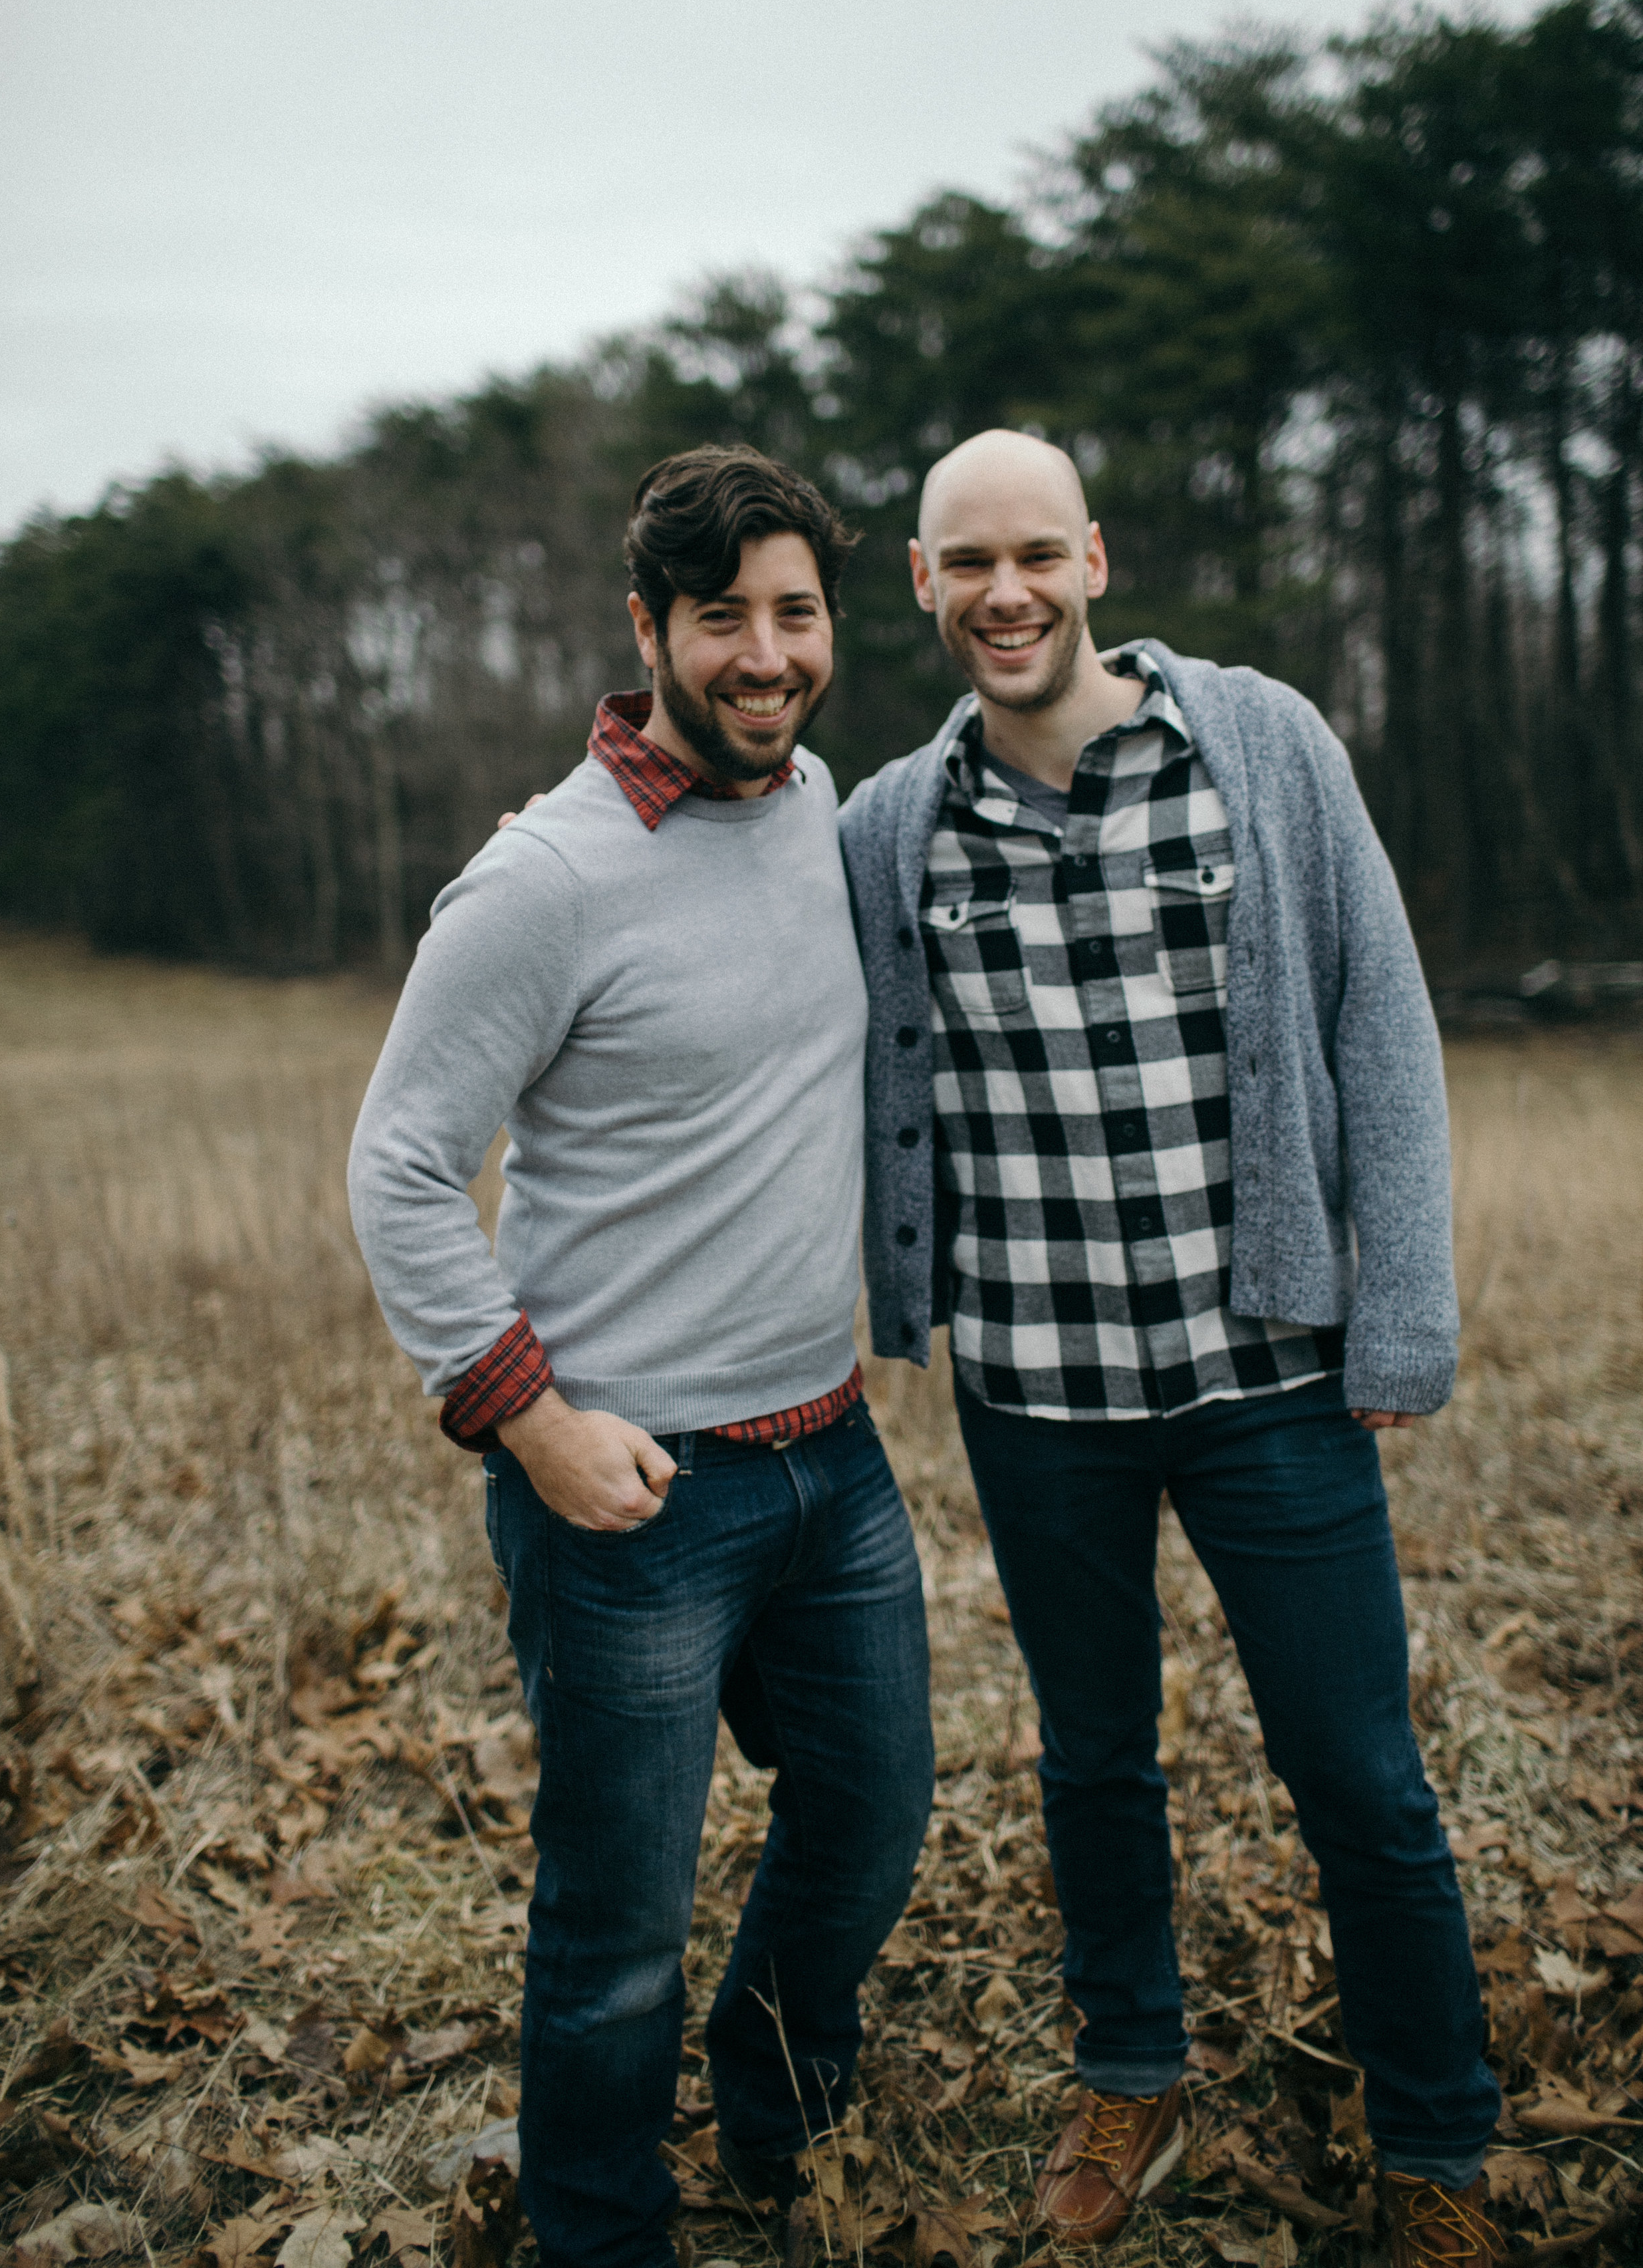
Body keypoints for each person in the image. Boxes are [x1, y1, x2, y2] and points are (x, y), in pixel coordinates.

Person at [839, 429, 1503, 2263]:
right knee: (1091, 1756)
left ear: (1094, 559)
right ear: (919, 580)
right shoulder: (888, 829)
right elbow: (728, 930)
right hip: (1036, 1391)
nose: (1005, 593)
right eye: (966, 561)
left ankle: (1437, 2148)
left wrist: (1403, 1305)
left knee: (1359, 1774)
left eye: (1035, 554)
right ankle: (1130, 2066)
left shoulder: (1259, 744)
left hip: (1265, 1378)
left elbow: (1382, 1017)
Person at [348, 446, 934, 2268]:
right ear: (647, 631)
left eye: (795, 613)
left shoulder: (817, 796)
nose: (765, 655)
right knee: (614, 1924)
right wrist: (533, 1430)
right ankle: (600, 2226)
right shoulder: (542, 880)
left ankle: (774, 2121)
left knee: (869, 1820)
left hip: (826, 1457)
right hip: (630, 1494)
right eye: (722, 619)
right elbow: (396, 1168)